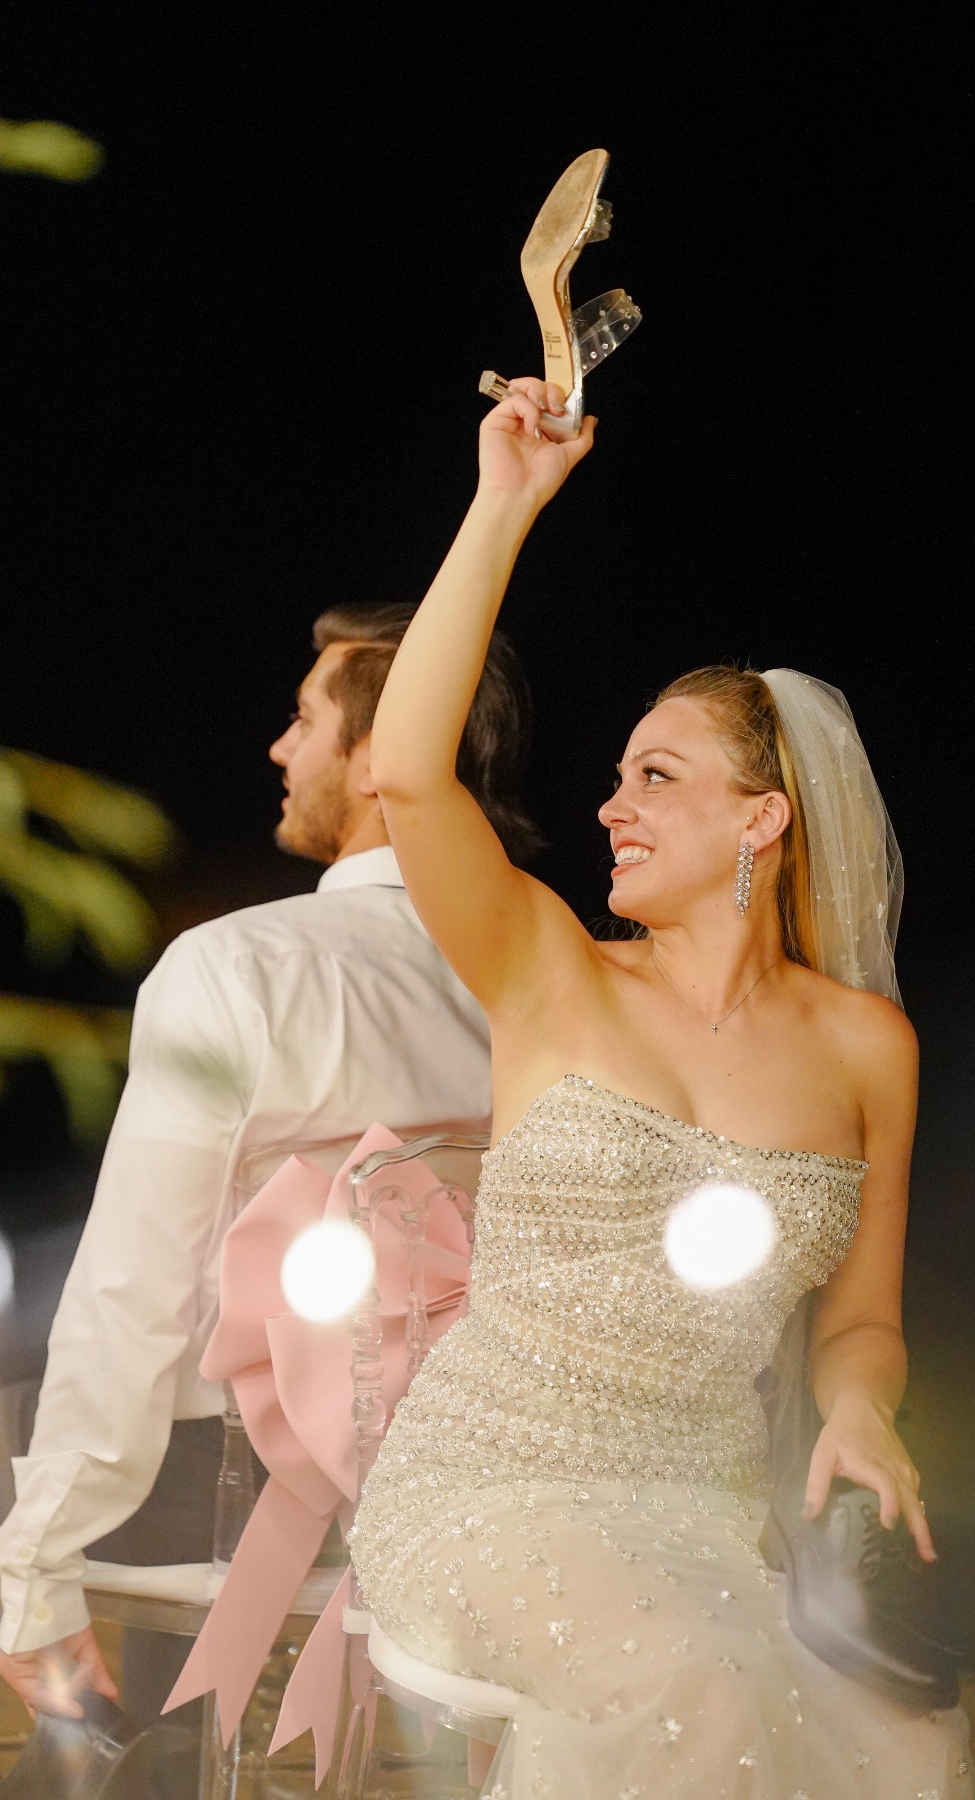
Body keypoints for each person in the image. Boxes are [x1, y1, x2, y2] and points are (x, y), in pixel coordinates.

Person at [347, 381, 974, 1797]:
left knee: (913, 1737)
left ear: (763, 820)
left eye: (657, 775)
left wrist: (865, 1406)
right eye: (618, 775)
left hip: (704, 1510)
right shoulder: (549, 969)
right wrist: (504, 501)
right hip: (491, 1489)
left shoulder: (871, 1048)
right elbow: (405, 768)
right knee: (694, 1686)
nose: (609, 805)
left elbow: (859, 1321)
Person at [0, 604, 539, 1726]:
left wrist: (45, 1558)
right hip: (450, 1480)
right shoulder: (545, 983)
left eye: (304, 720)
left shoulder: (243, 967)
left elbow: (135, 1293)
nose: (281, 750)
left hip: (225, 1468)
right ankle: (112, 1766)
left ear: (380, 759)